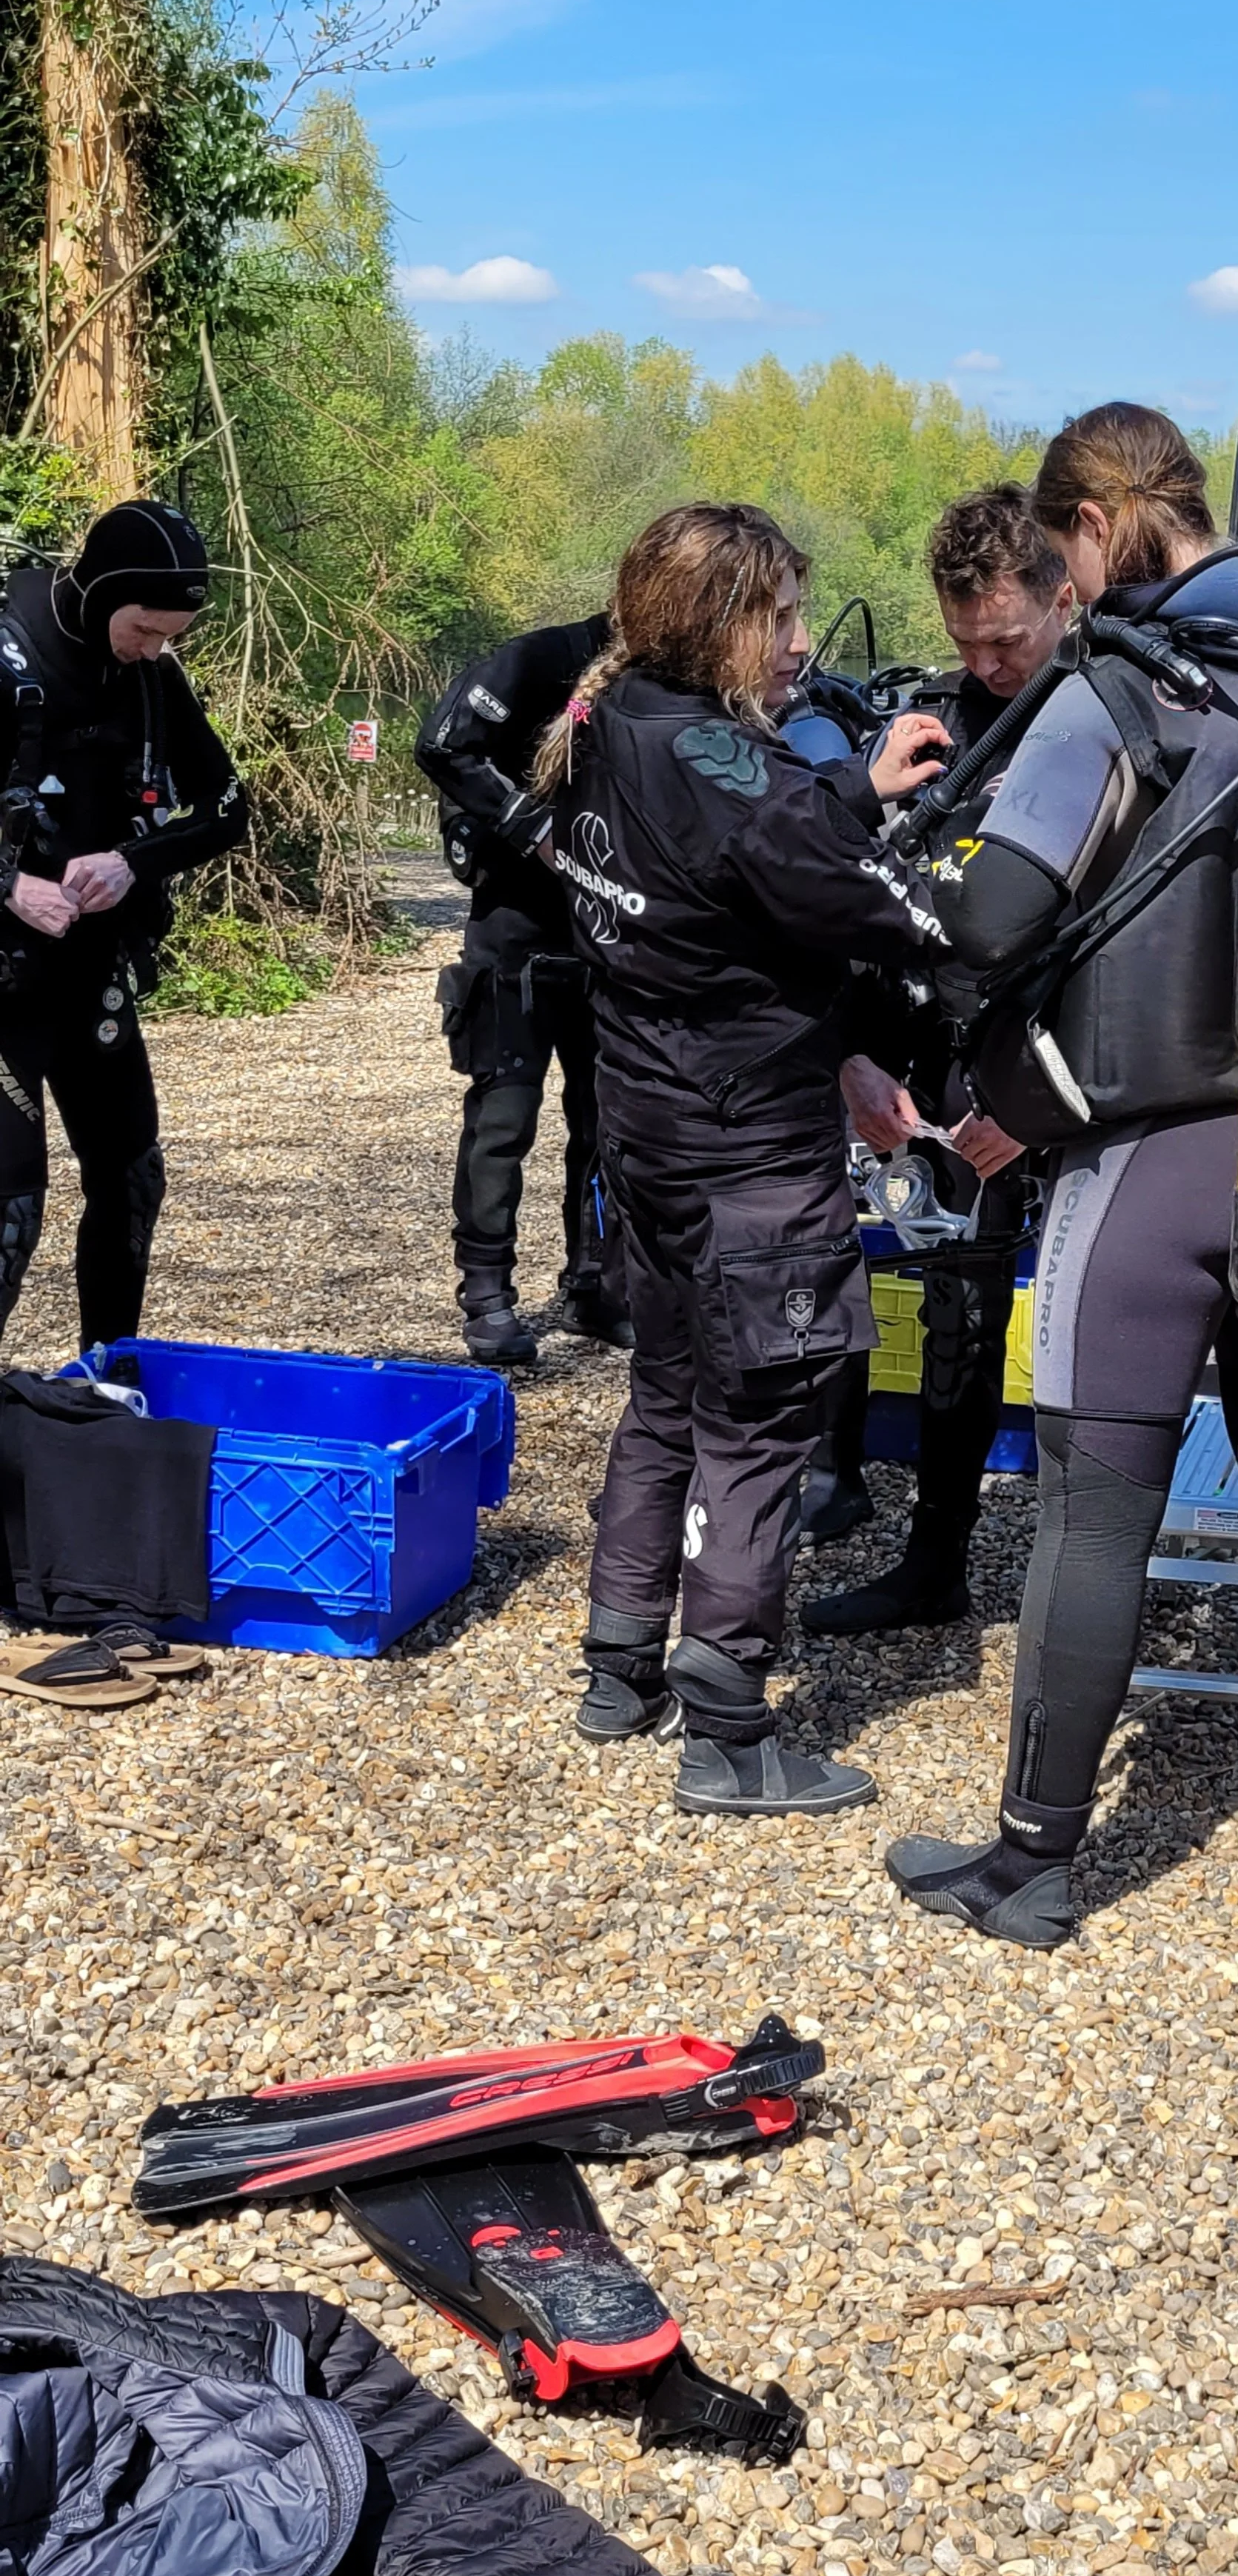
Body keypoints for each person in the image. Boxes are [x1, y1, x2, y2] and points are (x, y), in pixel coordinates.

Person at [883, 398, 1238, 1946]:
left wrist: (920, 872)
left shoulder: (1110, 691)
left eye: (1061, 553)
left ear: (1098, 529)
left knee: (1093, 1516)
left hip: (1144, 1164)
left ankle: (1034, 1864)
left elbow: (990, 918)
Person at [538, 500, 951, 1818]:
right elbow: (899, 914)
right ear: (712, 624)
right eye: (778, 617)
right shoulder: (729, 769)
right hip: (749, 1151)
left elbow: (736, 844)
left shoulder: (609, 719)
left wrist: (851, 786)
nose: (798, 643)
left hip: (648, 1131)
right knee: (759, 1420)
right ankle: (729, 1727)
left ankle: (619, 1666)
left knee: (667, 1390)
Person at [803, 483, 1071, 1632]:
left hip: (1062, 1068)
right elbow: (858, 902)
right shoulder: (934, 728)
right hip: (930, 1056)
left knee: (1022, 1318)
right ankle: (881, 1521)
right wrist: (853, 1056)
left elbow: (1142, 945)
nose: (990, 664)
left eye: (1007, 639)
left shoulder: (1114, 718)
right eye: (969, 643)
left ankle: (1008, 1570)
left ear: (1063, 597)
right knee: (901, 1292)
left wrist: (1047, 1098)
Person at [0, 499, 247, 1347]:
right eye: (144, 627)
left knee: (132, 1180)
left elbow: (225, 806)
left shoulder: (149, 677)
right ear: (105, 592)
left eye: (173, 635)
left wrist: (131, 862)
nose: (154, 648)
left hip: (89, 971)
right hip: (3, 982)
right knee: (9, 1214)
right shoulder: (10, 653)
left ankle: (107, 1383)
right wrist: (11, 885)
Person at [416, 613, 631, 1368]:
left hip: (606, 930)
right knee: (504, 1116)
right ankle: (486, 1293)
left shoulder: (670, 674)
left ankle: (594, 1282)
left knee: (606, 1119)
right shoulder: (540, 659)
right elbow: (442, 744)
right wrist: (529, 825)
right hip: (515, 926)